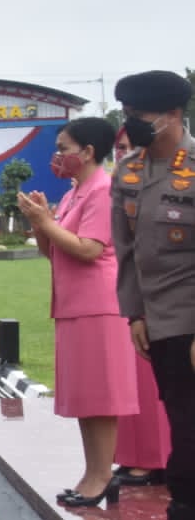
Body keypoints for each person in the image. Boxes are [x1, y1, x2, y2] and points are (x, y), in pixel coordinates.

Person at [16, 117, 138, 507]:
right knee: (87, 397)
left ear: (87, 152)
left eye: (65, 148)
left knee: (101, 397)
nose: (58, 156)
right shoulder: (73, 193)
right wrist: (40, 225)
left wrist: (44, 223)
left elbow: (88, 249)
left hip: (99, 306)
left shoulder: (102, 191)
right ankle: (92, 472)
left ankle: (102, 475)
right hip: (74, 305)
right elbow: (50, 250)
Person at [111, 70, 195, 520]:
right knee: (183, 425)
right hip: (157, 321)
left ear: (171, 114)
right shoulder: (130, 173)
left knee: (188, 431)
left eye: (138, 116)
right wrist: (135, 313)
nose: (130, 124)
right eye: (127, 115)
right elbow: (128, 253)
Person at [111, 127, 171, 487]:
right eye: (120, 148)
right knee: (132, 383)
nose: (125, 155)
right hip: (130, 300)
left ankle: (155, 457)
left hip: (165, 299)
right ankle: (136, 455)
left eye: (132, 148)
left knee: (156, 386)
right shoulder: (120, 190)